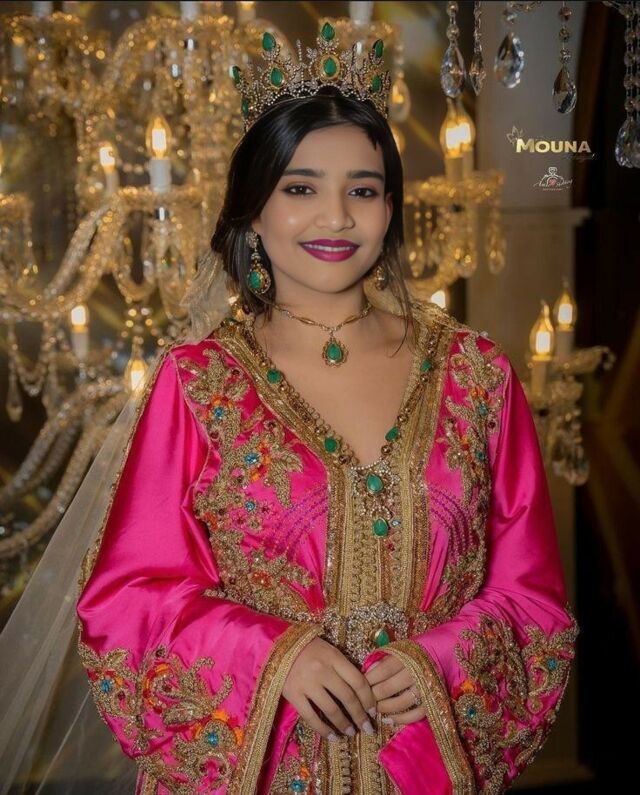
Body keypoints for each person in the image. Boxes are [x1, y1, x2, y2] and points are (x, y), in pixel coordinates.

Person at [0, 25, 578, 795]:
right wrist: (271, 654)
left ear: (390, 208)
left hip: (424, 767)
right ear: (253, 212)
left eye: (362, 190)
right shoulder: (200, 384)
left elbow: (531, 597)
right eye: (300, 189)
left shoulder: (476, 377)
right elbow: (129, 599)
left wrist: (440, 660)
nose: (335, 217)